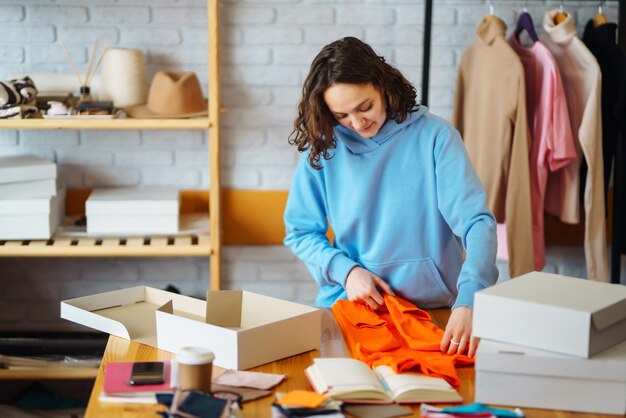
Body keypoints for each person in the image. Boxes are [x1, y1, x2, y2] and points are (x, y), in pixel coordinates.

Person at [283, 37, 498, 357]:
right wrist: (346, 271)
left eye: (364, 106)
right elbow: (300, 232)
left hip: (437, 310)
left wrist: (470, 299)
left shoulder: (436, 137)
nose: (357, 123)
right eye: (342, 115)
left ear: (382, 85)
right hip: (353, 307)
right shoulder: (324, 149)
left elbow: (476, 224)